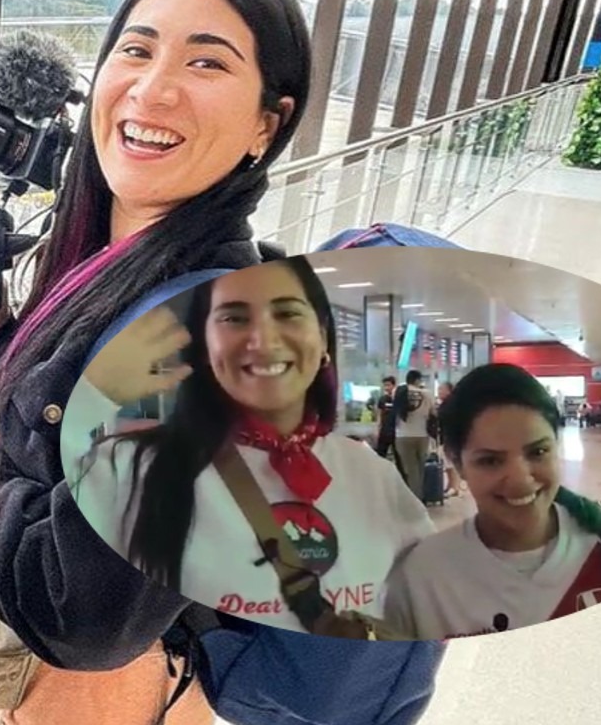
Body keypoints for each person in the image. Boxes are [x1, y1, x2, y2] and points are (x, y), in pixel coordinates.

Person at [0, 0, 311, 681]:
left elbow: (77, 611)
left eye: (207, 63)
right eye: (136, 50)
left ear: (267, 124)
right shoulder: (104, 262)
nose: (152, 90)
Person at [67, 258, 435, 633]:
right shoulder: (130, 468)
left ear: (323, 337)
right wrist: (93, 396)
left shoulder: (372, 476)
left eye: (288, 313)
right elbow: (75, 619)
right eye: (234, 318)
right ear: (204, 346)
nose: (263, 340)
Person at [384, 363, 601, 640]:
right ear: (457, 463)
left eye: (537, 452)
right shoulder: (421, 578)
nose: (520, 478)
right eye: (490, 460)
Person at [393, 370, 432, 500]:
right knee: (420, 469)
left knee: (410, 470)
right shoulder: (427, 394)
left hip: (403, 435)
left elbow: (396, 413)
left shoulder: (398, 392)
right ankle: (420, 496)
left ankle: (415, 498)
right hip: (422, 435)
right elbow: (432, 413)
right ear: (417, 380)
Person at [431, 381, 463, 498]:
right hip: (444, 436)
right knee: (446, 462)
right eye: (438, 389)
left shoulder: (452, 405)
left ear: (449, 391)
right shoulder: (444, 404)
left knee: (451, 462)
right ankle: (450, 484)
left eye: (441, 389)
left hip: (450, 436)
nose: (439, 392)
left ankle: (455, 486)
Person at [375, 375, 399, 465]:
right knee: (380, 455)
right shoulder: (382, 399)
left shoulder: (398, 399)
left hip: (396, 432)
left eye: (388, 385)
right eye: (385, 385)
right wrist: (378, 429)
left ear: (393, 385)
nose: (386, 388)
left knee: (398, 456)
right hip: (384, 431)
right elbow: (379, 414)